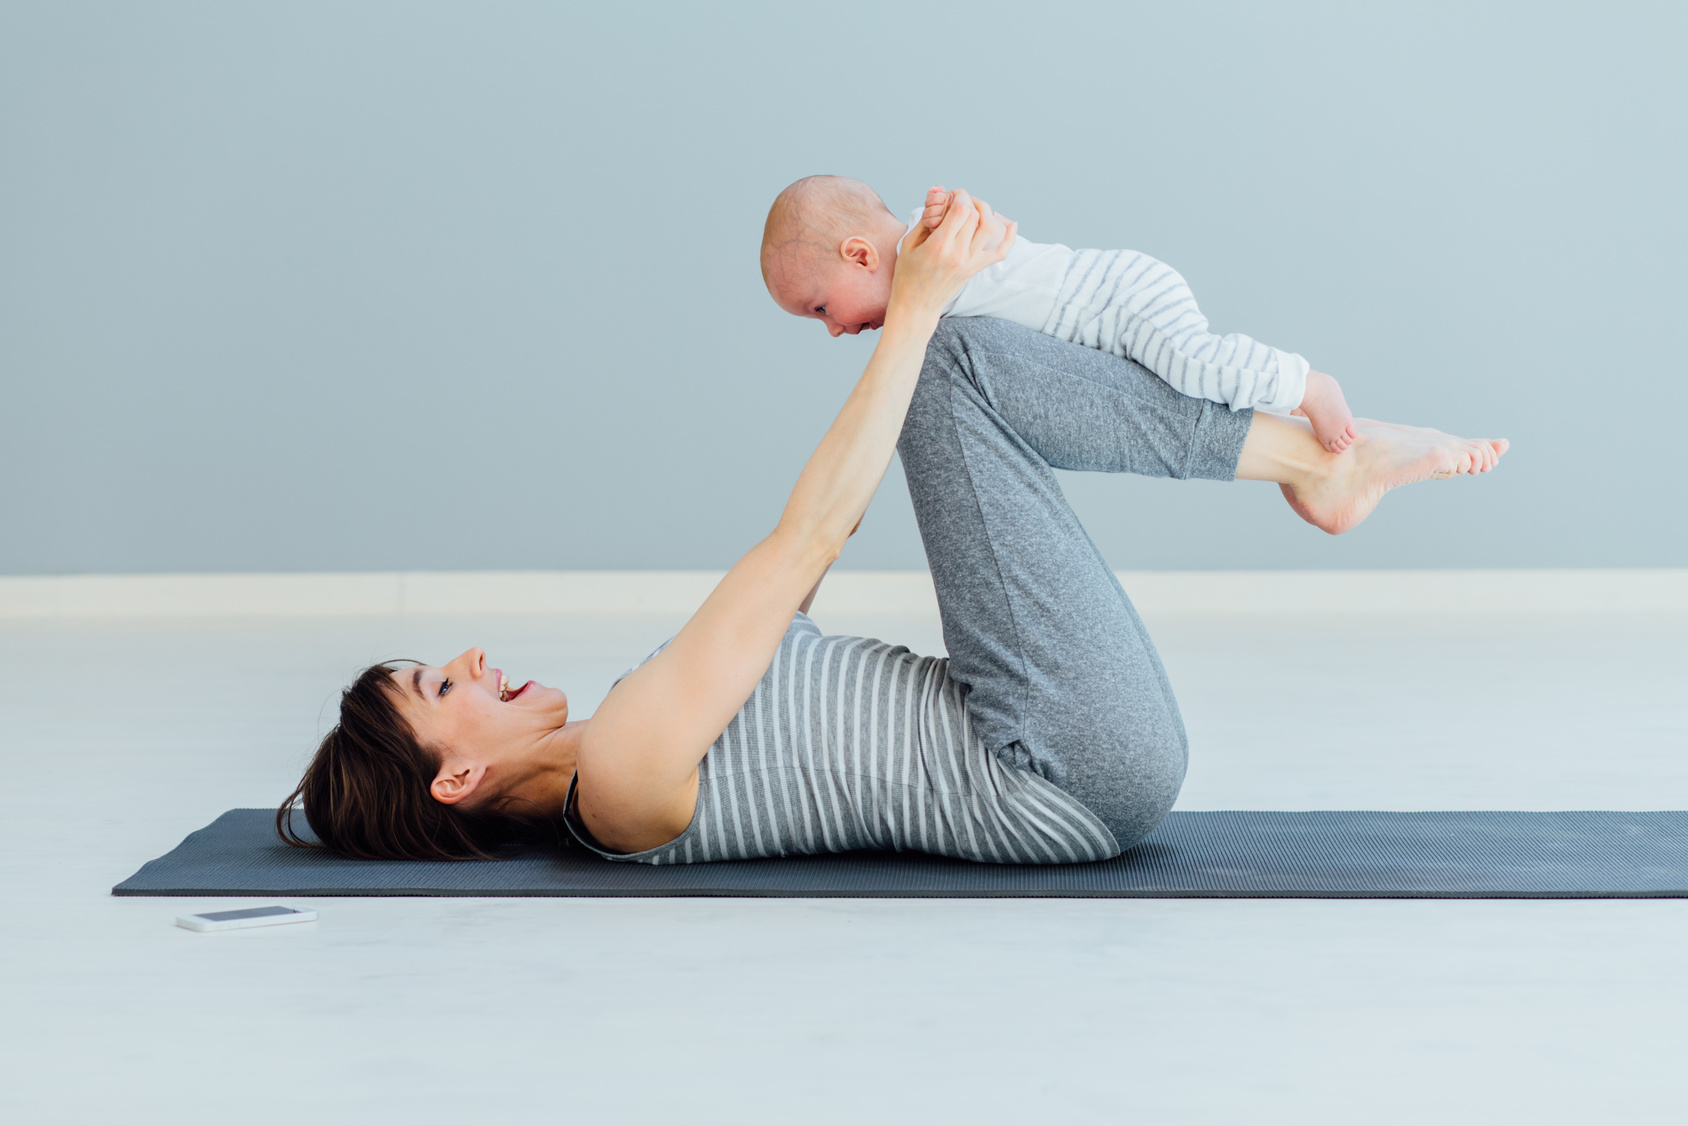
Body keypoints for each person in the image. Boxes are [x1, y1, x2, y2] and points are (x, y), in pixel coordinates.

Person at [280, 192, 1507, 865]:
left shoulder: (631, 715)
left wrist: (921, 315)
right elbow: (807, 539)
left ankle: (1313, 463)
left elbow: (805, 554)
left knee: (947, 361)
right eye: (446, 681)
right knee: (948, 360)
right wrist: (913, 307)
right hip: (1062, 768)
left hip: (1056, 733)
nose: (477, 660)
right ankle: (1315, 459)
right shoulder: (619, 779)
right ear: (457, 771)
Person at [761, 175, 1365, 454]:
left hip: (1120, 297)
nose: (835, 329)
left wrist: (949, 214)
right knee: (1184, 397)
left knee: (1192, 364)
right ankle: (1292, 445)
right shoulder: (918, 281)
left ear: (861, 254)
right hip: (1106, 322)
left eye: (820, 308)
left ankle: (1305, 384)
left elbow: (973, 230)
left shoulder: (927, 247)